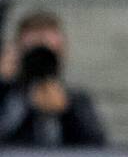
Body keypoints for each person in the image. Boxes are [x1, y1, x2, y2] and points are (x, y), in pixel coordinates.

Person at [0, 10, 106, 147]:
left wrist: (67, 110)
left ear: (62, 53)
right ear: (17, 54)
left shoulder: (77, 100)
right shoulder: (6, 97)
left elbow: (98, 149)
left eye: (47, 54)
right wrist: (6, 85)